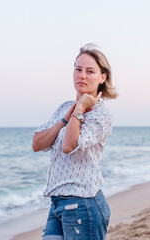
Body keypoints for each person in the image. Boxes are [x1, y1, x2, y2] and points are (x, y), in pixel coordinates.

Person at [32, 43, 118, 240]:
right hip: (56, 203)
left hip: (83, 204)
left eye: (90, 71)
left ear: (102, 77)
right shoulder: (64, 107)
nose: (82, 76)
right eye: (78, 69)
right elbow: (37, 144)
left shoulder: (101, 114)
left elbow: (69, 146)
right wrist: (63, 119)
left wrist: (80, 108)